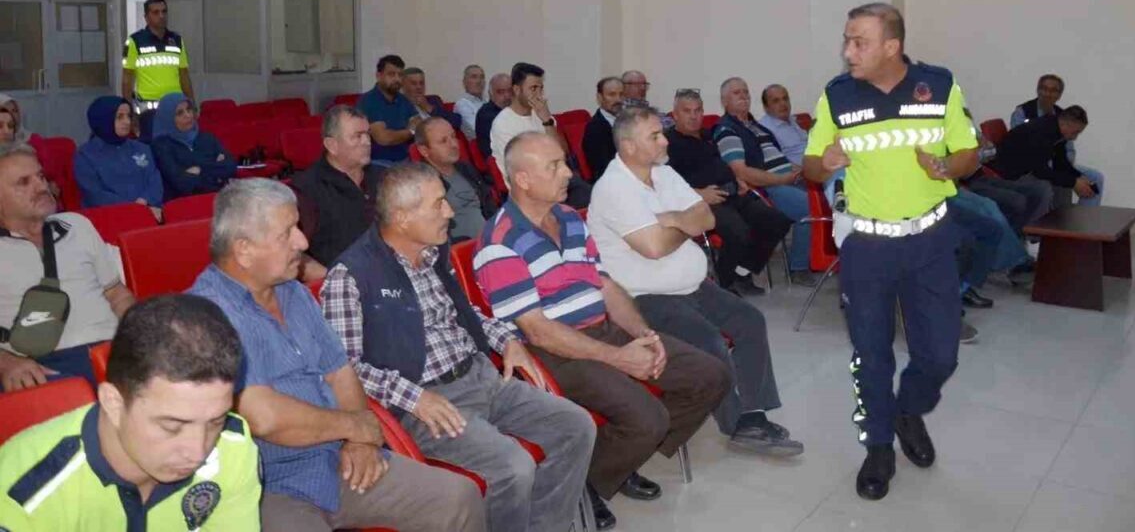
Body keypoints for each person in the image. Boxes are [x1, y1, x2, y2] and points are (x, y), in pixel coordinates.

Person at [187, 179, 485, 532]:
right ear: (244, 250)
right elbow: (264, 416)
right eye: (288, 233)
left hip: (339, 458)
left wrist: (358, 441)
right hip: (269, 486)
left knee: (458, 498)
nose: (303, 242)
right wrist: (355, 427)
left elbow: (340, 372)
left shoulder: (293, 294)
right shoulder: (203, 316)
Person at [474, 132, 730, 529]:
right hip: (554, 353)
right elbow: (537, 331)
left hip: (604, 328)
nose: (567, 173)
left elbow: (604, 285)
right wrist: (619, 358)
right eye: (554, 166)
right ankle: (588, 478)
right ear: (522, 179)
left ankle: (617, 454)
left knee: (710, 375)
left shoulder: (569, 219)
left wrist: (644, 335)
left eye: (564, 162)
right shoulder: (500, 241)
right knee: (649, 418)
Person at [323, 162, 595, 532]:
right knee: (513, 467)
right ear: (402, 218)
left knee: (575, 426)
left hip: (479, 375)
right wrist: (414, 397)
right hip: (426, 402)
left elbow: (466, 318)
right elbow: (345, 369)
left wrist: (508, 340)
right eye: (438, 205)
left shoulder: (433, 255)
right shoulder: (351, 275)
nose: (450, 213)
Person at [802, 2, 978, 502]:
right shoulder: (836, 96)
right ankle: (879, 445)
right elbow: (812, 165)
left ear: (891, 47)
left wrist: (947, 167)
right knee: (871, 353)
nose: (847, 51)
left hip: (930, 241)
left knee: (941, 354)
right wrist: (825, 161)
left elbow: (967, 151)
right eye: (846, 40)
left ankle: (908, 411)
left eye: (859, 42)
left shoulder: (939, 86)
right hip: (868, 245)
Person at [589, 108, 801, 456]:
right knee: (710, 342)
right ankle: (736, 424)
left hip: (691, 286)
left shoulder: (664, 172)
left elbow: (706, 216)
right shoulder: (613, 188)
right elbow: (654, 248)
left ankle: (753, 413)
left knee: (751, 321)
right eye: (654, 135)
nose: (664, 139)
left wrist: (670, 219)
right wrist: (683, 223)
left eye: (662, 132)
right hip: (646, 296)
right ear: (628, 146)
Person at [0, 294, 261, 530]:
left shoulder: (232, 445)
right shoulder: (23, 490)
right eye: (171, 426)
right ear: (113, 402)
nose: (198, 452)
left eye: (215, 421)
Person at [0, 142, 136, 390]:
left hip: (115, 350)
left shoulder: (77, 225)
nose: (42, 187)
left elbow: (116, 294)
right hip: (43, 365)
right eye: (24, 182)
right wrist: (6, 363)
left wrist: (143, 331)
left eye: (40, 176)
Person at [665, 89, 793, 294]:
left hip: (734, 192)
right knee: (739, 233)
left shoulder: (707, 136)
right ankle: (723, 286)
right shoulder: (668, 142)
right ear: (675, 114)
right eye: (687, 111)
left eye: (698, 110)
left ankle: (741, 272)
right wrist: (697, 193)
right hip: (703, 200)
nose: (693, 116)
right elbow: (664, 183)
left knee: (777, 221)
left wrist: (738, 180)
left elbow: (720, 165)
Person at [714, 77, 810, 278]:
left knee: (834, 199)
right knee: (809, 209)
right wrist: (782, 179)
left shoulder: (756, 127)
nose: (743, 96)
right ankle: (798, 268)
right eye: (736, 92)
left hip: (792, 179)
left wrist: (797, 170)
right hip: (768, 187)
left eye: (746, 92)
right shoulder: (727, 130)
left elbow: (777, 159)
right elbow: (741, 172)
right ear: (724, 101)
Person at [293, 105, 386, 278]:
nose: (367, 142)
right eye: (357, 136)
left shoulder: (383, 177)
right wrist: (334, 280)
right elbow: (291, 253)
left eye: (367, 134)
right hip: (340, 284)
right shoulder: (306, 189)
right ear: (332, 145)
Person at [488, 63, 591, 208]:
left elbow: (563, 152)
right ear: (517, 90)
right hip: (531, 188)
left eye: (541, 88)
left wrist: (546, 121)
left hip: (557, 179)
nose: (538, 94)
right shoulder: (503, 123)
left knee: (594, 198)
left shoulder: (541, 114)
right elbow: (522, 167)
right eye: (533, 88)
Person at [1010, 74, 1105, 205]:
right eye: (1044, 89)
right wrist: (1069, 177)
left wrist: (1074, 174)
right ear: (1038, 90)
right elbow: (1024, 150)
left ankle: (1084, 220)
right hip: (1031, 166)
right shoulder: (1023, 112)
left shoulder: (1064, 116)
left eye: (1053, 90)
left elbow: (1067, 150)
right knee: (1060, 178)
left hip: (1057, 162)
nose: (1048, 94)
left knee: (1095, 178)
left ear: (1059, 95)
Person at [988, 106, 1095, 208]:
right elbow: (1040, 171)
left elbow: (1060, 162)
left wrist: (1077, 177)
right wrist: (1073, 182)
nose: (1075, 137)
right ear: (1065, 124)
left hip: (1026, 171)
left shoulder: (1056, 130)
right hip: (1009, 175)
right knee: (1044, 188)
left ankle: (1059, 222)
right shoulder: (1041, 132)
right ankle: (1035, 225)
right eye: (1075, 132)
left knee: (1064, 181)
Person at [122, 0, 195, 141]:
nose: (161, 16)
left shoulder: (177, 40)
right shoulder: (134, 41)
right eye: (155, 12)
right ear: (146, 17)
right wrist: (129, 112)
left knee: (178, 150)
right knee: (153, 152)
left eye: (164, 12)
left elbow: (184, 75)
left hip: (177, 109)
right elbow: (127, 80)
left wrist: (192, 104)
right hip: (149, 112)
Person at [413, 117, 496, 243]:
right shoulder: (423, 183)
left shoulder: (466, 169)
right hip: (459, 250)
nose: (453, 144)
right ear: (424, 151)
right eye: (443, 141)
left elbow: (489, 204)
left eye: (453, 136)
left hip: (491, 239)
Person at [73, 96, 163, 212]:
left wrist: (144, 202)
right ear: (104, 119)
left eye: (129, 116)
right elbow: (95, 195)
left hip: (150, 211)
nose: (127, 122)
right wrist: (134, 208)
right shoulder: (85, 155)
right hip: (109, 217)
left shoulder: (141, 148)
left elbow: (155, 181)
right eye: (119, 117)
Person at [149, 93, 236, 200]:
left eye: (189, 109)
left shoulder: (206, 138)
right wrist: (216, 174)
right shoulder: (161, 146)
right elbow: (181, 184)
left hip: (216, 198)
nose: (188, 115)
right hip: (182, 204)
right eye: (180, 113)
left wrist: (199, 170)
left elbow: (230, 166)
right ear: (168, 117)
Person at [358, 54, 420, 164]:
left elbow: (419, 125)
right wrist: (410, 131)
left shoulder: (403, 100)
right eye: (391, 74)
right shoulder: (369, 101)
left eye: (400, 75)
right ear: (378, 76)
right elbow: (384, 139)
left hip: (406, 160)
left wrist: (403, 132)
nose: (397, 79)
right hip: (378, 162)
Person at [582, 76, 624, 180]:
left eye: (621, 94)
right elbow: (603, 168)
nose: (618, 99)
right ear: (599, 97)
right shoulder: (594, 128)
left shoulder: (629, 121)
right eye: (612, 94)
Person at [757, 84, 809, 166]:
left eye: (785, 98)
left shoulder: (794, 120)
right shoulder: (763, 129)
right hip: (800, 173)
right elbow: (776, 161)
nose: (783, 104)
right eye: (776, 101)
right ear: (766, 107)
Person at [403, 67, 463, 131]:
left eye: (422, 83)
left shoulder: (433, 100)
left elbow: (457, 121)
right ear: (403, 85)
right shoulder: (399, 105)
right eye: (414, 83)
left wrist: (429, 108)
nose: (419, 87)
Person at [475, 73, 513, 160]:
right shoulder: (486, 114)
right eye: (500, 92)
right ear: (490, 94)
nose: (507, 96)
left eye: (510, 91)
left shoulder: (512, 110)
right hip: (499, 162)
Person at [455, 65, 488, 140]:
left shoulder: (488, 101)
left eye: (482, 77)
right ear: (465, 82)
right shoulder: (462, 104)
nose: (479, 81)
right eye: (474, 77)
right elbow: (476, 130)